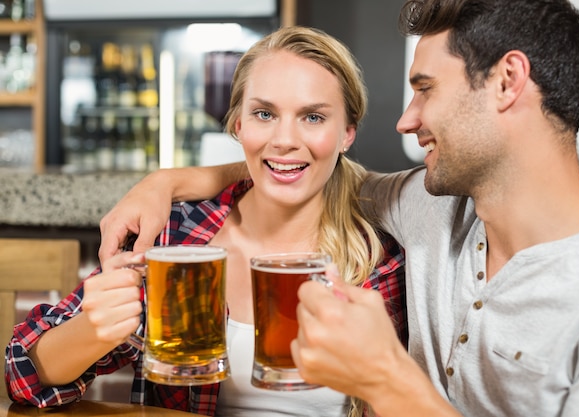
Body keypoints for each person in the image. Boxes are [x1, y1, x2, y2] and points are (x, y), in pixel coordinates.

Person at [94, 0, 579, 416]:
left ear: (507, 81)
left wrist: (384, 378)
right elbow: (304, 166)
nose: (406, 120)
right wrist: (170, 180)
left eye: (425, 90)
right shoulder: (431, 206)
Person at [4, 26, 407, 417]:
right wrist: (95, 329)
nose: (284, 139)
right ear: (238, 126)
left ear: (347, 134)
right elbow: (22, 376)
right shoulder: (176, 236)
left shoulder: (379, 257)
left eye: (313, 117)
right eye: (264, 114)